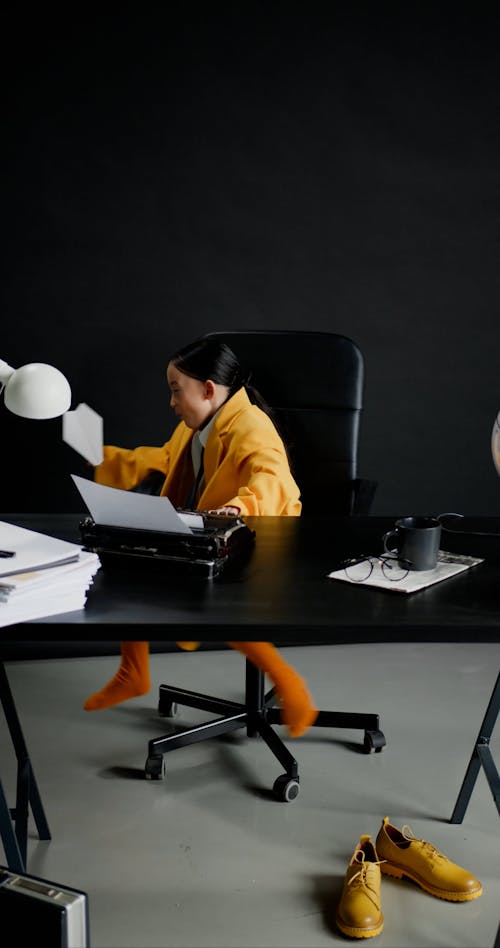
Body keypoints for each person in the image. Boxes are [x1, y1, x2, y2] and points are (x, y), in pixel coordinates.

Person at [83, 337, 317, 736]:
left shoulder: (250, 425)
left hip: (261, 535)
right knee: (131, 561)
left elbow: (272, 475)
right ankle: (132, 670)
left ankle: (291, 683)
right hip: (212, 536)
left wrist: (240, 507)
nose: (172, 402)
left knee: (213, 595)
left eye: (177, 390)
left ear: (208, 390)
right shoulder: (194, 428)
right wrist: (101, 455)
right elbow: (162, 461)